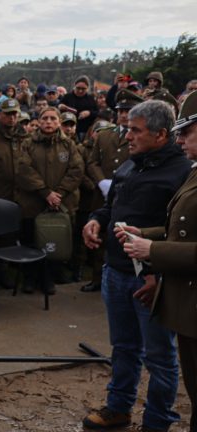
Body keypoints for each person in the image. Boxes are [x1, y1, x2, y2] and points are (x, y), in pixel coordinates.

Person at [81, 100, 191, 431]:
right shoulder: (130, 165)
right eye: (127, 128)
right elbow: (110, 207)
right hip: (115, 272)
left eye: (135, 130)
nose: (126, 136)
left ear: (160, 134)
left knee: (159, 357)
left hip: (152, 281)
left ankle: (158, 420)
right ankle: (119, 407)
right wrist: (95, 221)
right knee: (124, 347)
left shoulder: (183, 173)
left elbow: (180, 234)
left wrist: (159, 275)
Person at [119, 91, 197, 431]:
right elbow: (180, 229)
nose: (179, 138)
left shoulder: (183, 170)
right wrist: (147, 234)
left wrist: (152, 252)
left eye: (187, 131)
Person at [83, 89, 144, 292]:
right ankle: (97, 278)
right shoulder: (104, 135)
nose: (124, 115)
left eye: (128, 110)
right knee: (99, 236)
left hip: (128, 196)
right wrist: (101, 183)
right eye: (121, 111)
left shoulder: (141, 138)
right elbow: (92, 162)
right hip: (102, 196)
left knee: (122, 237)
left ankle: (125, 279)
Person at [17, 106, 84, 291]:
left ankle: (49, 279)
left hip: (61, 204)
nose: (48, 122)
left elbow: (77, 170)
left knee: (54, 242)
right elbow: (23, 169)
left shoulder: (68, 144)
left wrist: (59, 193)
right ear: (38, 121)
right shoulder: (28, 143)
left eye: (53, 119)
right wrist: (45, 192)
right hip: (33, 203)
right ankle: (30, 278)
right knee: (31, 240)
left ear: (59, 122)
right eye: (45, 118)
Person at [59, 76, 98, 141]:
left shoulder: (90, 99)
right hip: (68, 128)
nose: (80, 91)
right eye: (78, 88)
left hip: (84, 129)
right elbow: (58, 107)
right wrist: (61, 106)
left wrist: (89, 113)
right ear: (74, 86)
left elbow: (97, 112)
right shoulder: (67, 97)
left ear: (87, 88)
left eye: (83, 89)